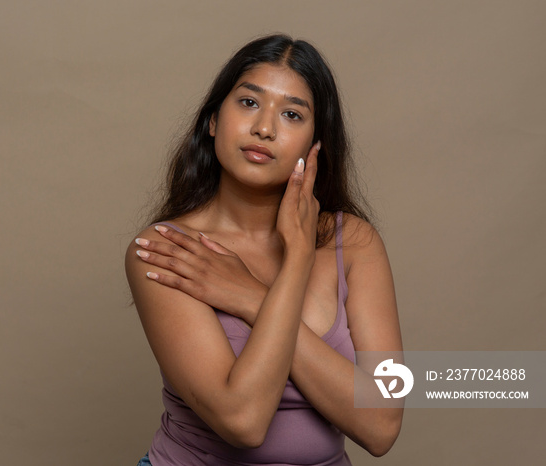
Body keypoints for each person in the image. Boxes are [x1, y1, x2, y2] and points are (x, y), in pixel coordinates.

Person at [125, 34, 403, 466]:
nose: (265, 128)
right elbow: (243, 421)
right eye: (249, 103)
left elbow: (383, 424)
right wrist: (296, 267)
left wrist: (253, 296)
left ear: (317, 144)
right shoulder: (168, 249)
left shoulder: (356, 243)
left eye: (292, 114)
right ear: (213, 120)